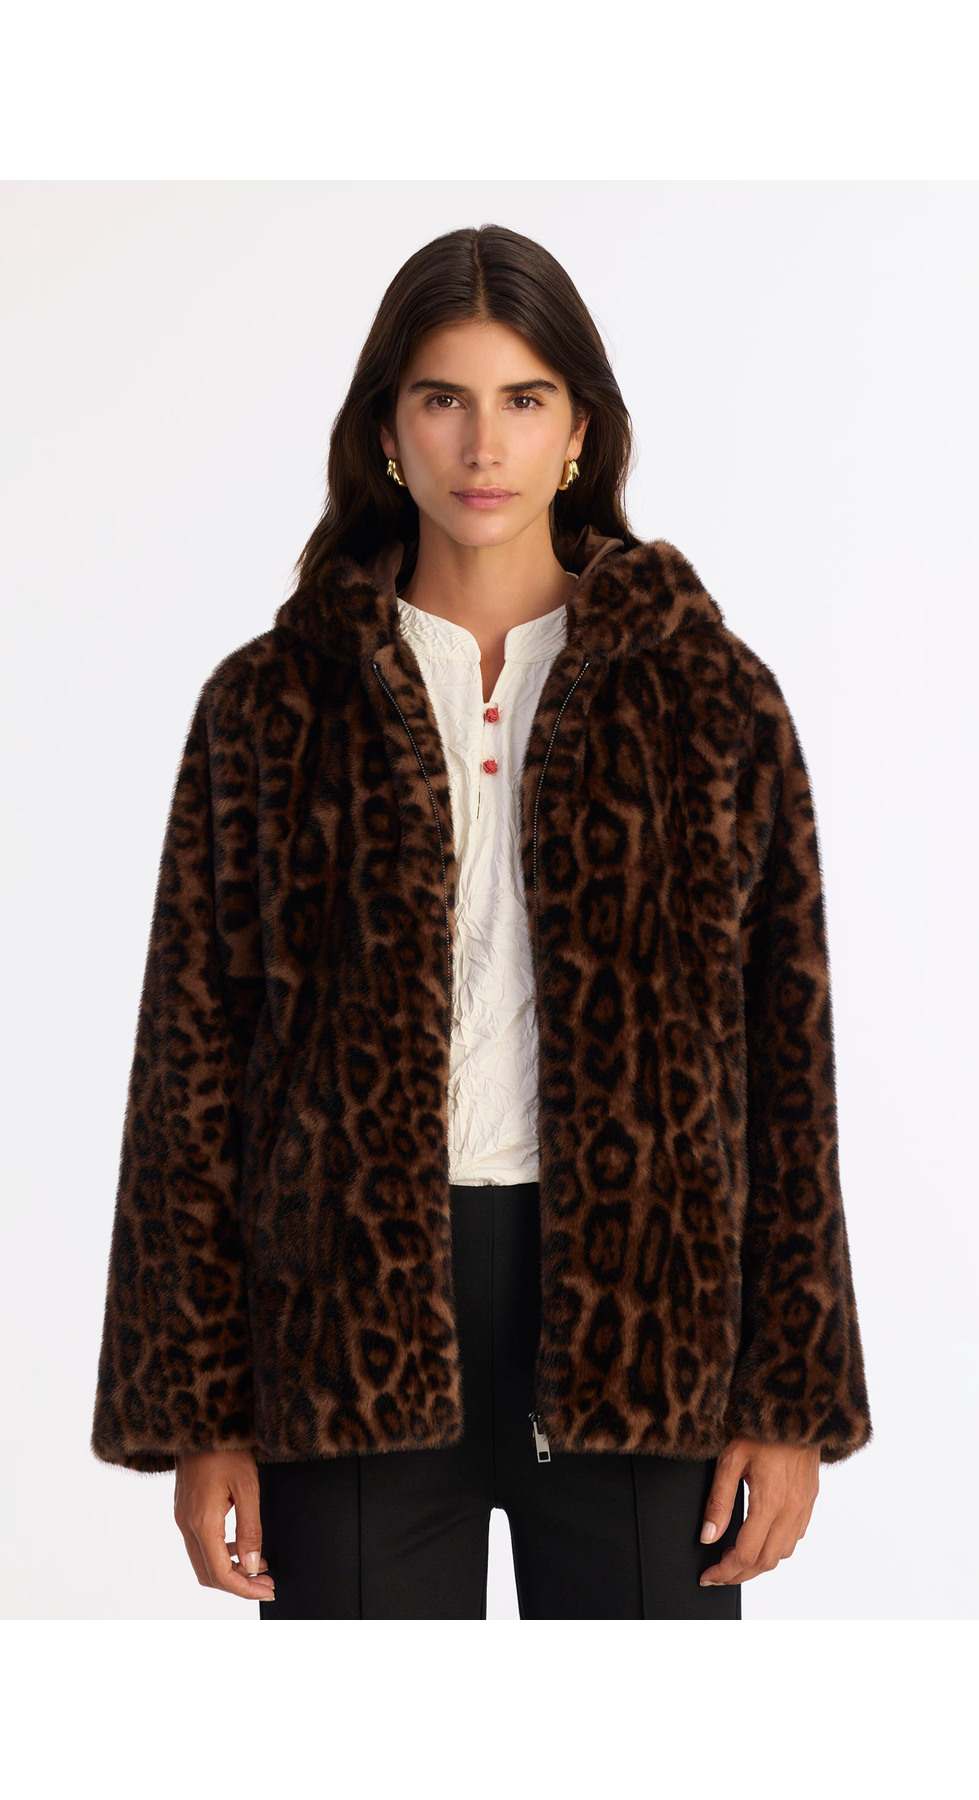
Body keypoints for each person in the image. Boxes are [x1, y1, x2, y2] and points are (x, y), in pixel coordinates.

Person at [90, 223, 873, 1619]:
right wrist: (202, 1411)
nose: (482, 445)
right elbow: (190, 1067)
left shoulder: (710, 696)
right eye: (442, 398)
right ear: (387, 431)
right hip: (348, 1325)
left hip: (648, 1321)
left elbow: (787, 1061)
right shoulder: (269, 705)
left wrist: (791, 1397)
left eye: (524, 399)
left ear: (581, 432)